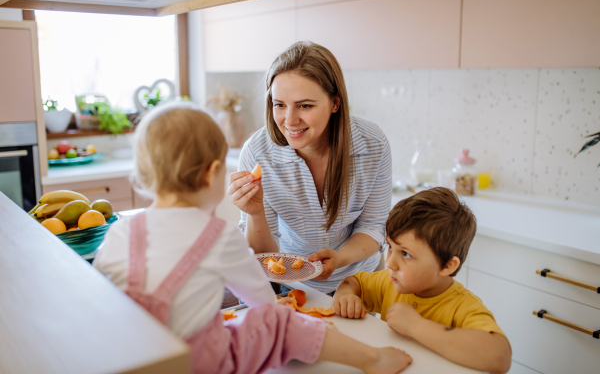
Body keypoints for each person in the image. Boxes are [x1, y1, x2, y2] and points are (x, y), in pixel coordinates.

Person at [93, 105, 412, 374]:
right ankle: (374, 359)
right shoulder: (218, 236)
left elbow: (105, 301)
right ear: (212, 172)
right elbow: (263, 302)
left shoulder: (120, 231)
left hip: (134, 360)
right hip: (199, 363)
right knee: (281, 323)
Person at [227, 41, 392, 294]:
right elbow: (263, 256)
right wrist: (255, 212)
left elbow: (372, 226)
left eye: (305, 106)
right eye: (279, 104)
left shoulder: (373, 144)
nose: (290, 120)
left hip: (359, 282)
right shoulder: (257, 152)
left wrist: (339, 259)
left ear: (335, 104)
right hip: (294, 283)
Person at [332, 187, 512, 374]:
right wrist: (346, 295)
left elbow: (499, 357)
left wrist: (415, 326)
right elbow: (354, 282)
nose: (390, 262)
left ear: (447, 266)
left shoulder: (463, 306)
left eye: (406, 254)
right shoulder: (390, 281)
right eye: (390, 247)